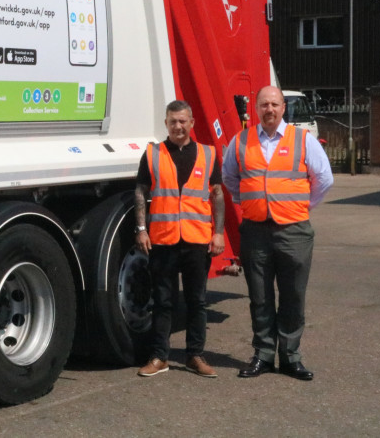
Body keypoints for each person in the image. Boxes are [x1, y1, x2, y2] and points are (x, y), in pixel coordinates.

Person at [222, 86, 333, 381]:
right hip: (255, 231)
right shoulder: (241, 141)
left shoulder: (303, 140)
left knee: (293, 295)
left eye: (274, 104)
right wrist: (250, 200)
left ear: (284, 107)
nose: (269, 109)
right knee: (259, 297)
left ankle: (291, 357)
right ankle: (263, 355)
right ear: (256, 109)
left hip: (294, 231)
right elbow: (229, 178)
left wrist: (302, 206)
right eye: (263, 105)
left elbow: (323, 178)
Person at [134, 100, 225, 378]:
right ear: (166, 124)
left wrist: (218, 232)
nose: (178, 126)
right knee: (163, 301)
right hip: (163, 240)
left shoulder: (208, 154)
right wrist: (141, 228)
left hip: (197, 241)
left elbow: (218, 194)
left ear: (192, 123)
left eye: (183, 121)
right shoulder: (152, 154)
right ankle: (160, 357)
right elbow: (140, 192)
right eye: (173, 121)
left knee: (197, 301)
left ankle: (194, 356)